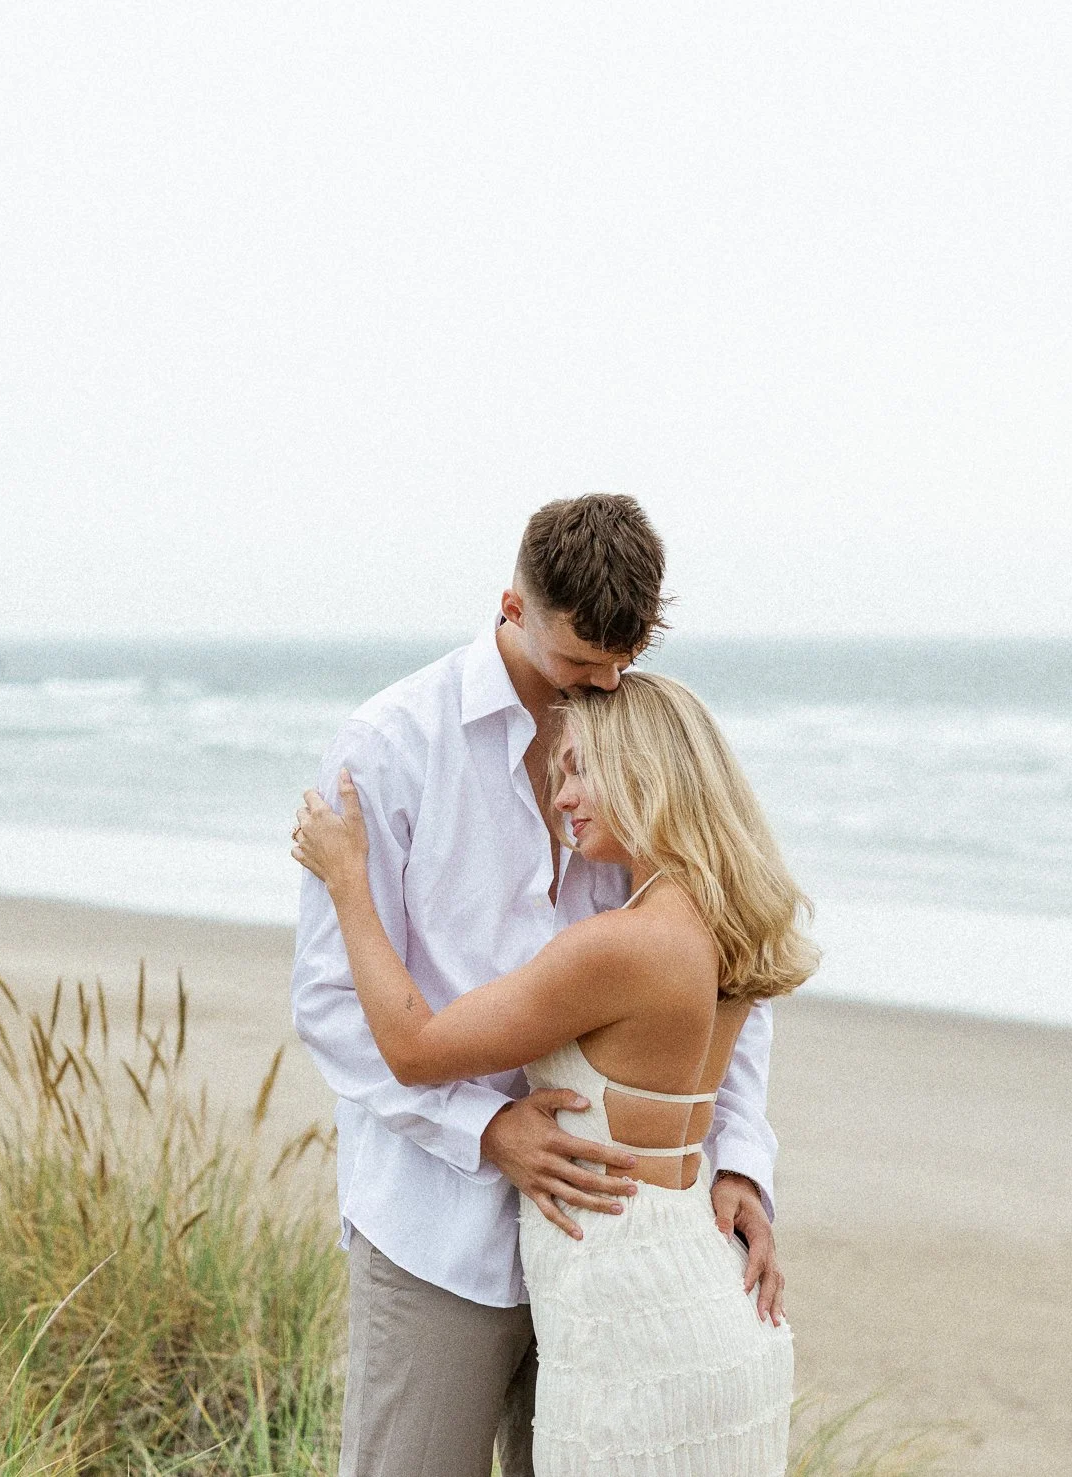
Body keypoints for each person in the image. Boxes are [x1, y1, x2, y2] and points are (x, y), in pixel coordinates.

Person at [288, 496, 784, 1477]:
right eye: (579, 663)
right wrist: (487, 1130)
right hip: (443, 1227)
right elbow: (332, 1004)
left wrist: (739, 1157)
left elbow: (727, 963)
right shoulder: (390, 746)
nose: (600, 684)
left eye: (622, 661)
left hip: (614, 1245)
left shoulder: (632, 744)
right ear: (512, 607)